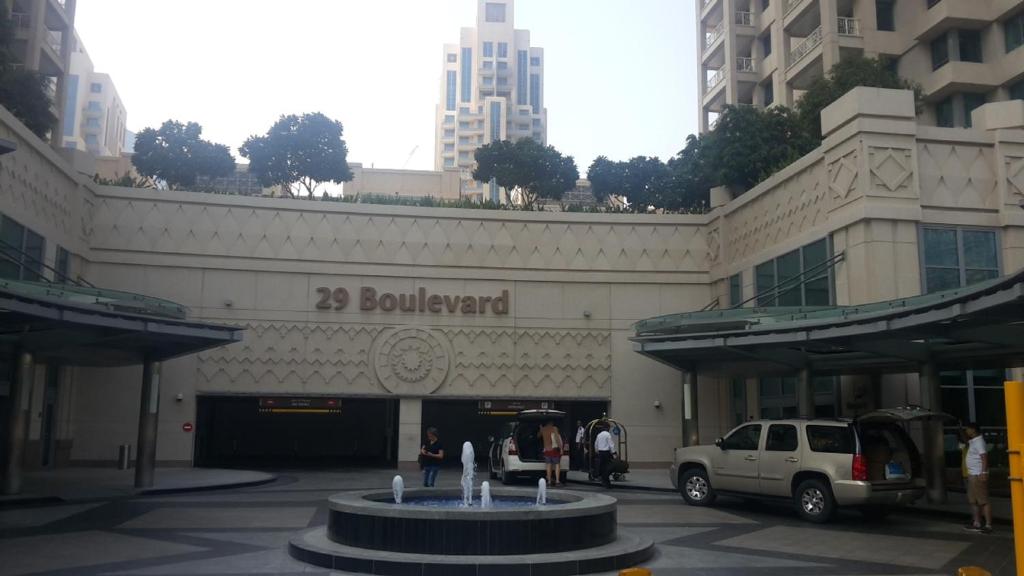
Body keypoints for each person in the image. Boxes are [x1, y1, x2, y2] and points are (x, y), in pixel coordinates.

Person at [963, 422, 992, 534]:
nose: (967, 431)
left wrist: (983, 472)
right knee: (973, 500)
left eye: (968, 429)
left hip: (977, 474)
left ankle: (988, 525)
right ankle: (977, 522)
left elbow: (984, 457)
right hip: (972, 474)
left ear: (973, 430)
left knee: (983, 500)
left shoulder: (979, 441)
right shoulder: (973, 441)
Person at [538, 419, 564, 486]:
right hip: (554, 449)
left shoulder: (543, 429)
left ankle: (549, 481)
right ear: (551, 423)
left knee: (548, 465)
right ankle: (557, 481)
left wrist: (540, 428)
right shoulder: (554, 428)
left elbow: (538, 436)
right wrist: (561, 448)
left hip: (546, 450)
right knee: (557, 465)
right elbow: (557, 439)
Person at [595, 424, 616, 489]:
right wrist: (614, 453)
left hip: (600, 453)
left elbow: (596, 444)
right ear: (607, 428)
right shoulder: (608, 434)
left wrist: (597, 451)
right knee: (608, 468)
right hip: (606, 453)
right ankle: (607, 483)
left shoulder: (599, 435)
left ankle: (603, 480)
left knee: (602, 467)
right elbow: (611, 444)